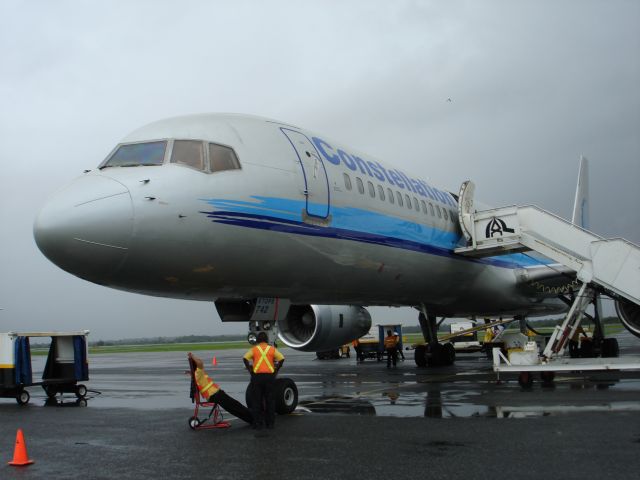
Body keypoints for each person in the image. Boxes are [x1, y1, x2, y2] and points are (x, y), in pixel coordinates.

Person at [188, 353, 253, 425]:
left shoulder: (196, 374)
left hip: (214, 395)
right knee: (235, 406)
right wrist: (193, 356)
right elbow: (200, 362)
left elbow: (199, 363)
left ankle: (250, 418)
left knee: (233, 407)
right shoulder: (198, 372)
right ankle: (252, 418)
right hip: (215, 394)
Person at [243, 332, 285, 429]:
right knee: (270, 400)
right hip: (269, 377)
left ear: (258, 340)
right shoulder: (271, 349)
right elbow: (282, 358)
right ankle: (270, 423)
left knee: (256, 401)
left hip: (257, 377)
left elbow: (245, 358)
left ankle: (257, 423)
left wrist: (250, 370)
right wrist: (276, 370)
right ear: (266, 339)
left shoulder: (254, 349)